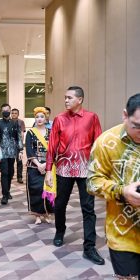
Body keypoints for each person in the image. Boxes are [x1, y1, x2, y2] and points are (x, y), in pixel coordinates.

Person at [45, 86, 104, 265]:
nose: (66, 101)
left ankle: (89, 248)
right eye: (65, 98)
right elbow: (52, 145)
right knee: (60, 204)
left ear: (80, 99)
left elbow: (98, 143)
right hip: (63, 169)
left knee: (88, 208)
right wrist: (48, 170)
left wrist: (99, 169)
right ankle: (60, 231)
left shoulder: (91, 118)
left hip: (86, 170)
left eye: (69, 98)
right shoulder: (59, 119)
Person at [87, 93, 140, 278]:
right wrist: (121, 191)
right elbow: (92, 182)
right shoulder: (106, 143)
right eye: (137, 127)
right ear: (125, 115)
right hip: (123, 234)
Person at [25, 107, 53, 224]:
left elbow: (52, 149)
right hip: (34, 166)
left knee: (47, 190)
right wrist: (38, 164)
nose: (39, 119)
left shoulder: (50, 132)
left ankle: (46, 213)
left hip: (48, 166)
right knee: (35, 190)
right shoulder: (30, 132)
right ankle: (37, 215)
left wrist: (46, 164)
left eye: (42, 116)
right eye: (37, 117)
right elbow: (29, 149)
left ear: (46, 118)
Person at [0, 104, 23, 205]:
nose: (6, 111)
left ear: (10, 111)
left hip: (12, 153)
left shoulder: (15, 123)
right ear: (1, 111)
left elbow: (19, 136)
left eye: (7, 110)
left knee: (10, 173)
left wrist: (21, 150)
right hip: (2, 153)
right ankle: (4, 195)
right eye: (3, 110)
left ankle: (8, 191)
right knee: (4, 173)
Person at [11, 108, 25, 184]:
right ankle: (11, 175)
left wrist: (21, 145)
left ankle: (19, 177)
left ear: (18, 114)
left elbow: (22, 134)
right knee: (11, 161)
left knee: (19, 161)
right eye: (12, 113)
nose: (14, 114)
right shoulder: (9, 122)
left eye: (15, 113)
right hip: (10, 145)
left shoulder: (21, 122)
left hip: (18, 144)